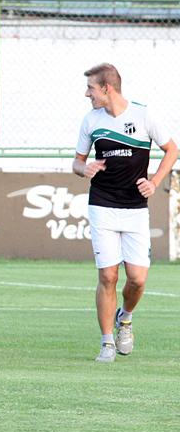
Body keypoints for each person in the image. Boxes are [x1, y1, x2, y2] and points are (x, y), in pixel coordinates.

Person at [73, 63, 177, 363]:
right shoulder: (91, 120)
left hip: (134, 209)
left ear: (107, 88)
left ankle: (125, 318)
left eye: (91, 88)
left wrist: (154, 182)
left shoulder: (144, 115)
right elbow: (77, 163)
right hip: (102, 205)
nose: (87, 93)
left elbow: (172, 149)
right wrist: (85, 168)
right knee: (107, 275)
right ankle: (106, 343)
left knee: (137, 280)